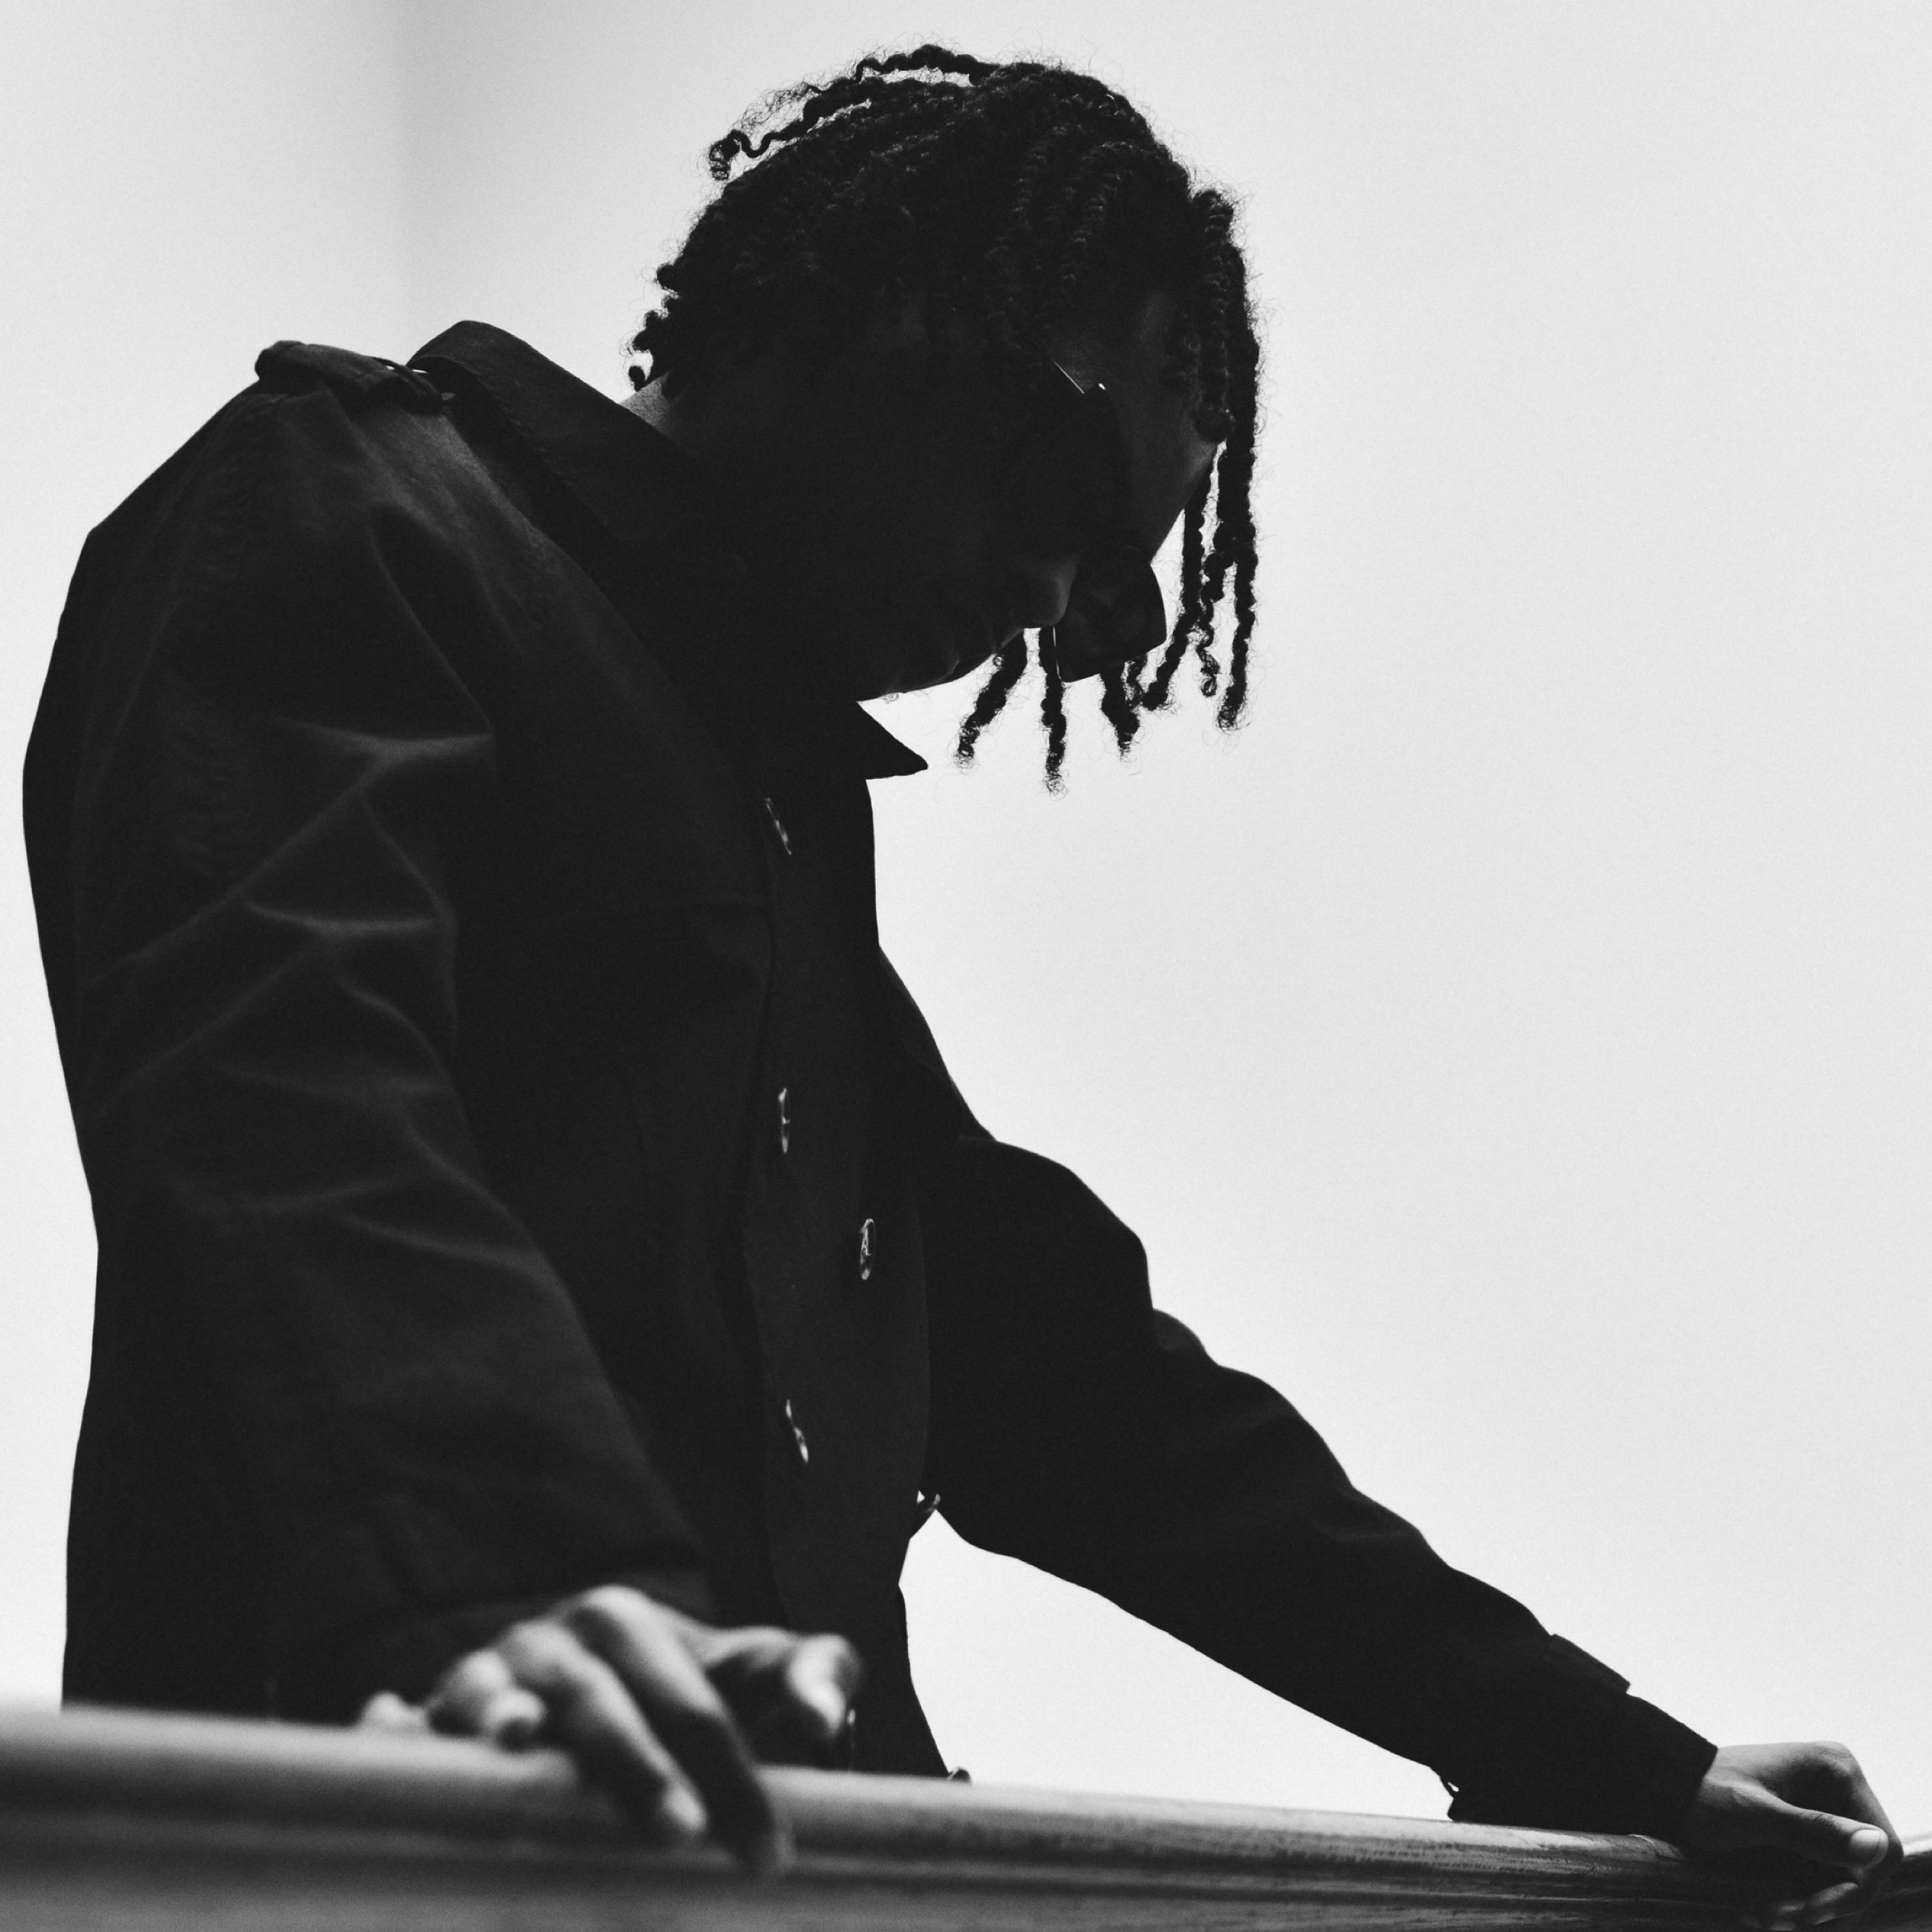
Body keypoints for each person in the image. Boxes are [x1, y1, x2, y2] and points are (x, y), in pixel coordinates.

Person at [24, 46, 1898, 1918]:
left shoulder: (759, 791)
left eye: (1114, 575)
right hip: (379, 1865)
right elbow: (283, 1089)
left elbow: (1062, 1377)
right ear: (869, 305)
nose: (1052, 596)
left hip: (772, 1874)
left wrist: (1610, 1755)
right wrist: (504, 1581)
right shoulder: (348, 510)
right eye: (1058, 483)